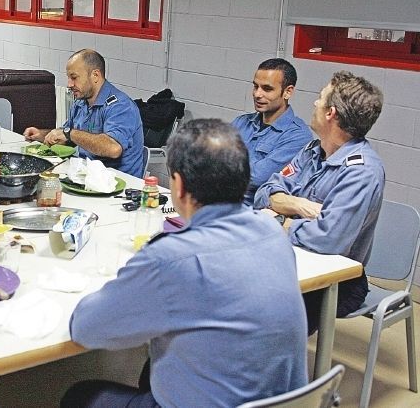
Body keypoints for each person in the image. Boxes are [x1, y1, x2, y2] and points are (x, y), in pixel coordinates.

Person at [63, 119, 308, 407]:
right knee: (154, 365)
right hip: (286, 402)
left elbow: (87, 328)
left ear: (177, 186)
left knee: (80, 396)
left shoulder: (172, 258)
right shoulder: (274, 235)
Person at [254, 70, 385, 335]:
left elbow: (328, 239)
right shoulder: (312, 150)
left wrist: (281, 219)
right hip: (286, 257)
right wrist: (299, 207)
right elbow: (264, 193)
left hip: (336, 282)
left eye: (320, 98)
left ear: (331, 113)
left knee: (253, 311)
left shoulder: (362, 171)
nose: (314, 103)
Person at [23, 49, 144, 177]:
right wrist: (43, 135)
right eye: (68, 78)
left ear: (95, 76)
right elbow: (69, 137)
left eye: (74, 78)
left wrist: (69, 133)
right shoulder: (81, 103)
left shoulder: (121, 106)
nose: (69, 84)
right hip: (86, 177)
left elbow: (113, 148)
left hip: (117, 185)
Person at [231, 58, 312, 204]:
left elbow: (257, 177)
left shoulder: (298, 137)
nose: (257, 94)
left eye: (267, 89)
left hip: (249, 213)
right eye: (256, 87)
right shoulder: (241, 122)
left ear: (287, 92)